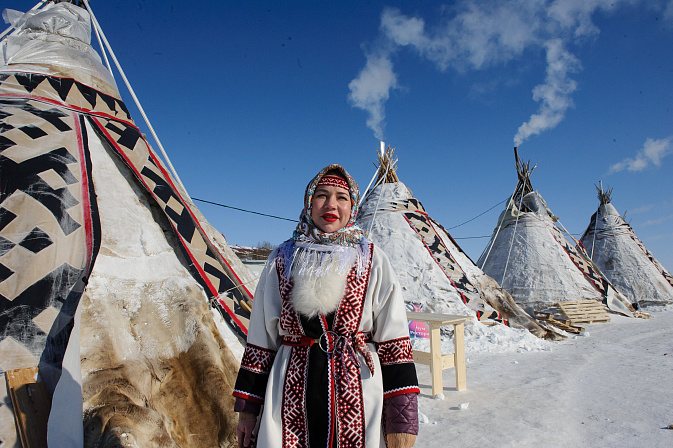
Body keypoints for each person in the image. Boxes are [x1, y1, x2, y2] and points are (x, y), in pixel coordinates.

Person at [233, 164, 419, 448]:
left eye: (342, 197)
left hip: (359, 394)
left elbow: (394, 341)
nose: (331, 204)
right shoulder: (282, 259)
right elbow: (261, 338)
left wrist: (402, 421)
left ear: (353, 205)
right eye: (322, 195)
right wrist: (247, 411)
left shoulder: (371, 259)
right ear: (309, 202)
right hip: (289, 394)